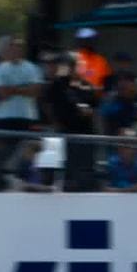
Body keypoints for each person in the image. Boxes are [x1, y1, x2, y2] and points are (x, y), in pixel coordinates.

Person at [0, 37, 43, 189]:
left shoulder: (32, 68)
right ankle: (1, 181)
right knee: (4, 151)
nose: (15, 51)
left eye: (18, 48)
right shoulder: (1, 68)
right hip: (4, 118)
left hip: (26, 116)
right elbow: (1, 93)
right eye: (12, 48)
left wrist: (12, 88)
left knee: (26, 149)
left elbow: (35, 91)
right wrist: (23, 88)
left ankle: (23, 179)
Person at [44, 52, 100, 191]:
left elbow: (94, 107)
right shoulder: (58, 85)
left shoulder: (87, 86)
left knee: (85, 170)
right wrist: (56, 123)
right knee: (66, 171)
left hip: (85, 134)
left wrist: (87, 110)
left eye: (76, 65)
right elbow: (48, 106)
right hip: (65, 134)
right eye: (71, 65)